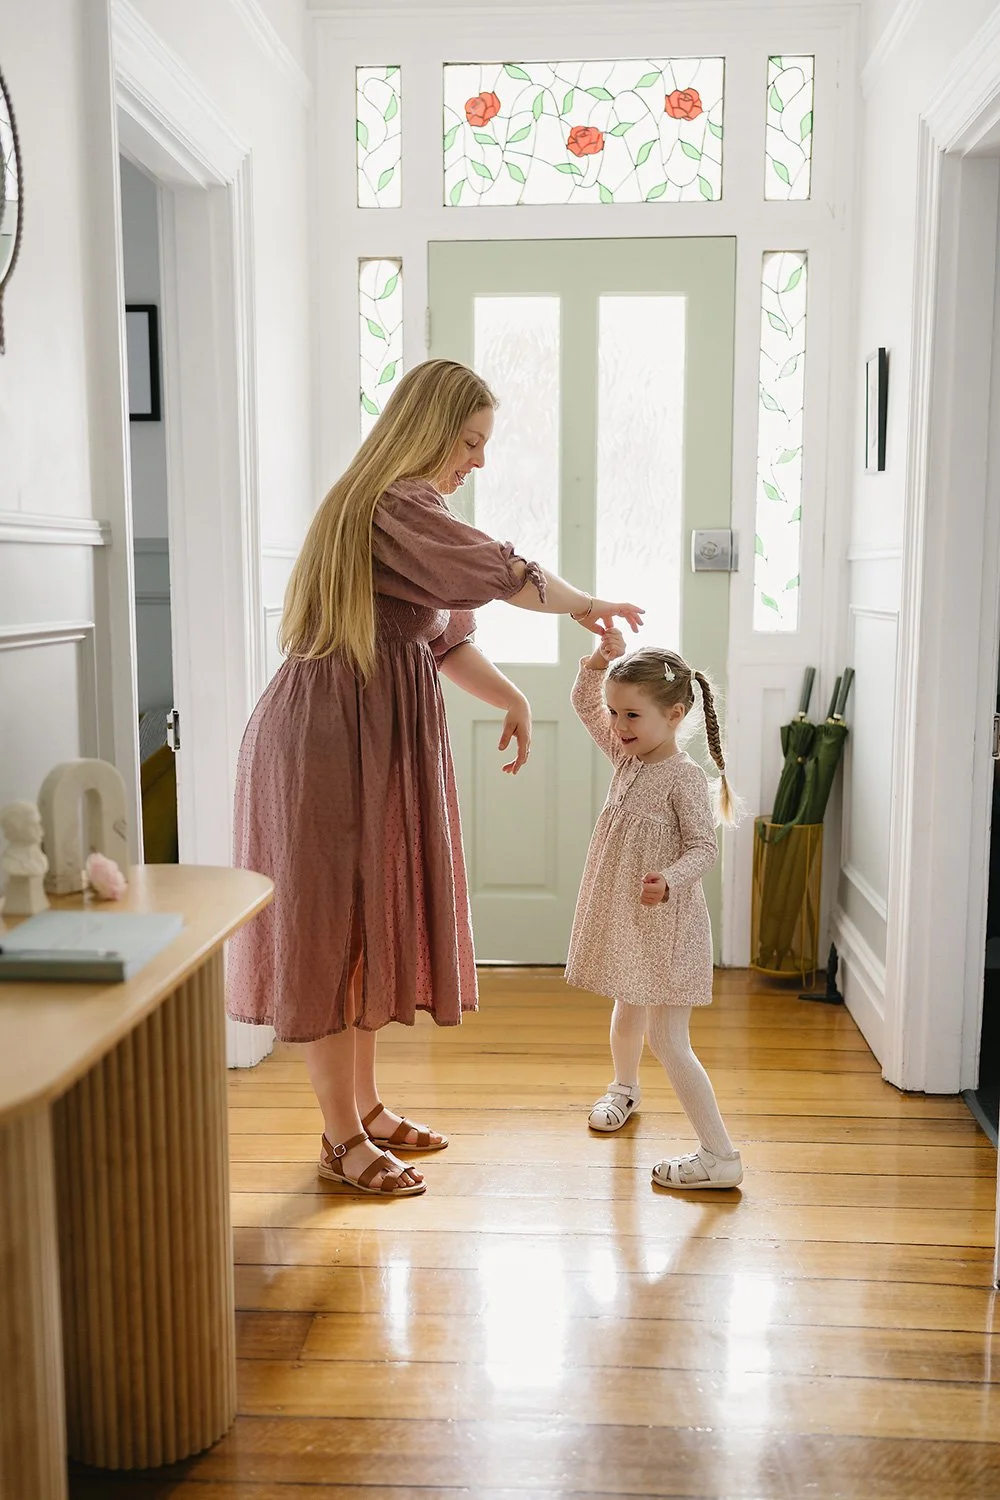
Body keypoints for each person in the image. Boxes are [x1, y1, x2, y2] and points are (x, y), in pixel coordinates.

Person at [227, 359, 643, 1197]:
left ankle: (368, 1109)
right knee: (337, 932)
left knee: (367, 924)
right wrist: (585, 603)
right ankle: (341, 1137)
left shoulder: (409, 511)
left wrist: (514, 696)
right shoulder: (393, 503)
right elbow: (504, 572)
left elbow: (443, 637)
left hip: (365, 731)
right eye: (470, 441)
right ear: (428, 428)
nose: (478, 460)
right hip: (328, 737)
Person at [565, 626, 743, 1190]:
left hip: (667, 925)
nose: (618, 726)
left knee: (667, 1040)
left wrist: (667, 879)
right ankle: (624, 1088)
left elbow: (703, 848)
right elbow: (582, 702)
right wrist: (597, 660)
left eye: (632, 716)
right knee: (626, 1007)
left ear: (675, 713)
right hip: (632, 923)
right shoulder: (627, 757)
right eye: (616, 714)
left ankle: (719, 1154)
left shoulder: (683, 778)